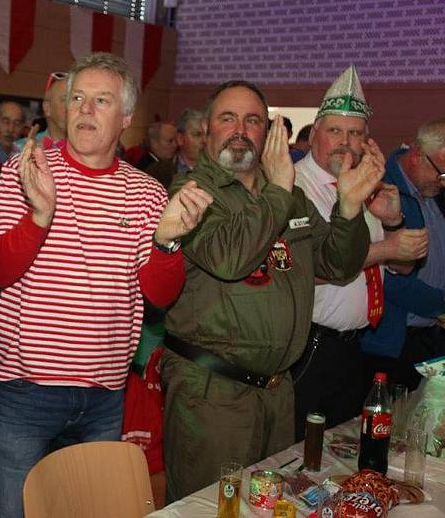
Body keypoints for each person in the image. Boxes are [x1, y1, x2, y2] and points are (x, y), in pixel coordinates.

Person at [0, 52, 212, 518]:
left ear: (125, 117)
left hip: (104, 396)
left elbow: (161, 296)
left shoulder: (146, 192)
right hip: (25, 390)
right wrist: (40, 216)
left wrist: (167, 243)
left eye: (101, 100)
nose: (85, 110)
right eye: (77, 99)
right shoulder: (28, 169)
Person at [160, 79, 383, 501]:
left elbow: (337, 264)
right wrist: (279, 191)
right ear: (207, 130)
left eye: (253, 120)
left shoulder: (287, 193)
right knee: (209, 506)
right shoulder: (192, 192)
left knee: (265, 505)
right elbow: (230, 259)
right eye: (228, 119)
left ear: (268, 131)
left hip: (278, 391)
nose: (240, 130)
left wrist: (349, 208)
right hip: (212, 392)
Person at [292, 65, 428, 441]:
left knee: (342, 451)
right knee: (298, 450)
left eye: (355, 133)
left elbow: (403, 268)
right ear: (314, 133)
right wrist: (384, 247)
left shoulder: (366, 187)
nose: (345, 142)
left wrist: (394, 221)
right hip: (310, 347)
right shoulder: (294, 187)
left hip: (357, 345)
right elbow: (309, 267)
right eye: (335, 131)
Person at [362, 117, 445, 391]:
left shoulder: (431, 193)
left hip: (428, 336)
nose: (443, 182)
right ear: (418, 156)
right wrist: (439, 303)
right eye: (441, 174)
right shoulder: (381, 190)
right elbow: (387, 276)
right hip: (393, 341)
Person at [141, 121, 179, 189]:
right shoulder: (146, 168)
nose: (175, 145)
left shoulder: (171, 164)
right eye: (170, 141)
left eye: (176, 141)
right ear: (154, 143)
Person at [0, 101, 25, 166]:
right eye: (5, 121)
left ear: (22, 127)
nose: (10, 129)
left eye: (17, 123)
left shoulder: (25, 156)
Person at [175, 108, 205, 174]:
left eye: (207, 135)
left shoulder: (219, 171)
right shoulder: (160, 171)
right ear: (180, 138)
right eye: (197, 135)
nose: (204, 140)